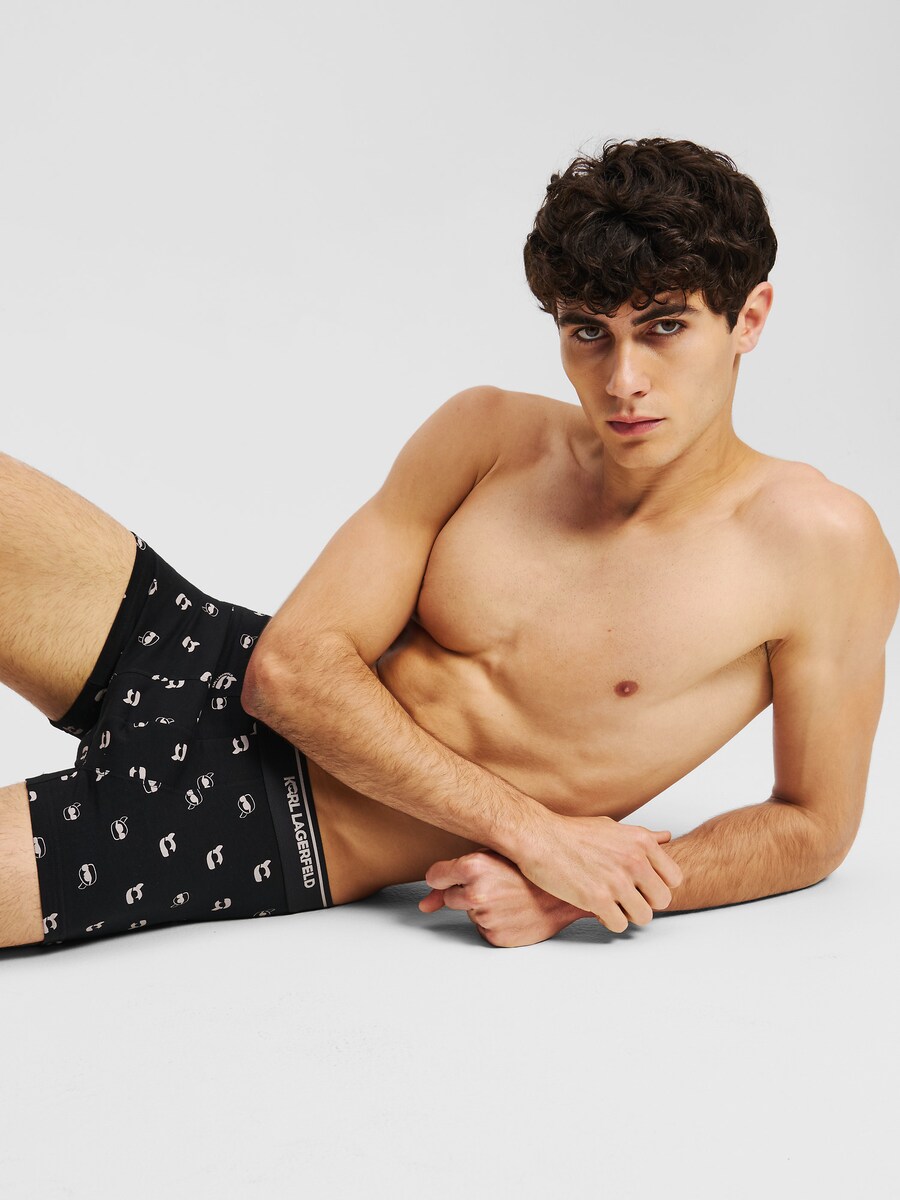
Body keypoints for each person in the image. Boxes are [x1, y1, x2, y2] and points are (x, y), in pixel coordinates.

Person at [1, 136, 897, 952]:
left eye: (665, 326)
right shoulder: (489, 436)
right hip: (201, 655)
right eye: (589, 332)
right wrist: (537, 838)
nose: (624, 379)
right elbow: (289, 673)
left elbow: (814, 824)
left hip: (266, 831)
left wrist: (583, 892)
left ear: (749, 318)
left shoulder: (819, 547)